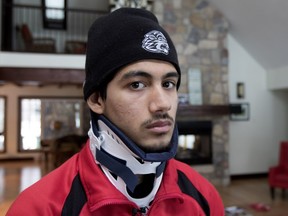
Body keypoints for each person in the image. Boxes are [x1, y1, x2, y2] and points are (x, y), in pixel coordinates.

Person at [7, 8, 224, 216]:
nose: (162, 104)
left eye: (168, 84)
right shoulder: (38, 208)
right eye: (137, 84)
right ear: (96, 99)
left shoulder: (203, 195)